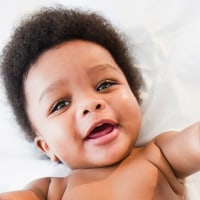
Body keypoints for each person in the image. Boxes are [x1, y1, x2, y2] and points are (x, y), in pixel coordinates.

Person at [0, 6, 200, 200]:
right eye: (60, 104)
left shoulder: (160, 155)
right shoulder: (49, 190)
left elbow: (193, 143)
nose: (89, 104)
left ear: (133, 95)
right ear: (46, 147)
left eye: (105, 84)